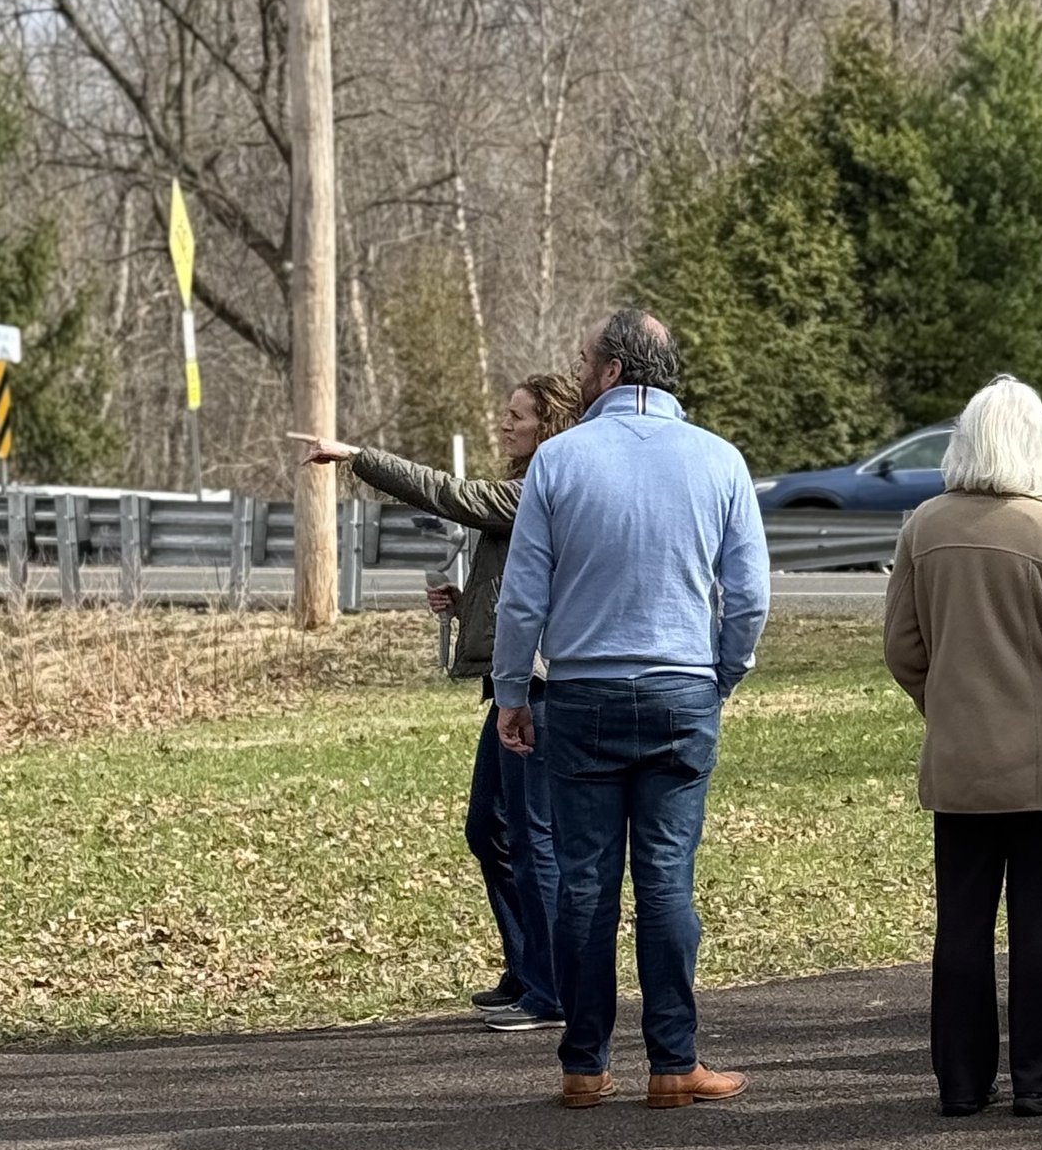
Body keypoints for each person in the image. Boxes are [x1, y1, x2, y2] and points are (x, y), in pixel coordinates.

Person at [493, 306, 769, 1109]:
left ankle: (584, 1063)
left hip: (581, 691)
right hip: (682, 688)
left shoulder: (560, 460)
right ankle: (673, 1060)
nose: (577, 373)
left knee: (583, 883)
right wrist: (723, 671)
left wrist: (514, 689)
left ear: (612, 371)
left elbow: (523, 596)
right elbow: (749, 594)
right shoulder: (720, 460)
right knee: (666, 881)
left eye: (584, 361)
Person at [296, 373, 580, 1033]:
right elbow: (516, 578)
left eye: (518, 416)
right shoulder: (531, 488)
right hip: (510, 686)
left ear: (550, 424)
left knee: (532, 839)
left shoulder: (538, 488)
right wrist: (467, 604)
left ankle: (554, 990)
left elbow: (454, 496)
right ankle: (527, 969)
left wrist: (356, 458)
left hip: (539, 690)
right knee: (490, 829)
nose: (504, 425)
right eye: (505, 414)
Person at [882, 374, 1042, 1118]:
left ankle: (960, 1080)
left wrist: (944, 701)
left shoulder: (924, 526)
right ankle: (1039, 1079)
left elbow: (902, 645)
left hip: (959, 755)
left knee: (961, 924)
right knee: (1038, 929)